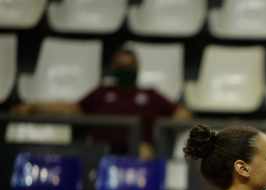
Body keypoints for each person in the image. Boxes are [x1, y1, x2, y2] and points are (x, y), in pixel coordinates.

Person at [12, 47, 190, 158]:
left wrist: (177, 120)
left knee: (144, 155)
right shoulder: (102, 92)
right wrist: (35, 107)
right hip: (100, 153)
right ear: (114, 68)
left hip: (137, 153)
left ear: (136, 69)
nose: (125, 70)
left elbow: (180, 113)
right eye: (121, 66)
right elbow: (72, 109)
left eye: (129, 66)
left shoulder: (149, 95)